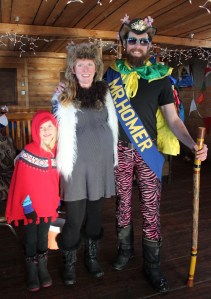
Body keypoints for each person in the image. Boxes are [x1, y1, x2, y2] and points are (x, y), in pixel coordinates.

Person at [105, 16, 208, 295]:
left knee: (151, 210)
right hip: (120, 151)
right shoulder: (112, 74)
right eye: (132, 40)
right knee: (122, 204)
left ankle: (152, 265)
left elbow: (173, 121)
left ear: (150, 44)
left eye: (143, 41)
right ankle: (125, 251)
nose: (137, 45)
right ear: (124, 43)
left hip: (148, 151)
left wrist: (192, 145)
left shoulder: (162, 78)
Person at [51, 41, 118, 286]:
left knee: (95, 216)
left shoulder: (105, 92)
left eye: (90, 64)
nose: (86, 68)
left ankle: (91, 257)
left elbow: (113, 124)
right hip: (76, 169)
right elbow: (53, 125)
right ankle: (69, 261)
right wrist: (55, 98)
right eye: (81, 64)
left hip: (100, 167)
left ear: (96, 67)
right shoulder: (64, 93)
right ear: (73, 68)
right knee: (74, 218)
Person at [5, 110, 60, 292]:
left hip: (47, 206)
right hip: (30, 207)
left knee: (43, 238)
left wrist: (55, 203)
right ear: (36, 130)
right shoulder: (28, 152)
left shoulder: (56, 153)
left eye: (49, 127)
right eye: (42, 127)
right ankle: (31, 269)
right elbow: (22, 184)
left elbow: (55, 182)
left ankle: (42, 268)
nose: (46, 131)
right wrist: (27, 206)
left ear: (55, 128)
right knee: (30, 239)